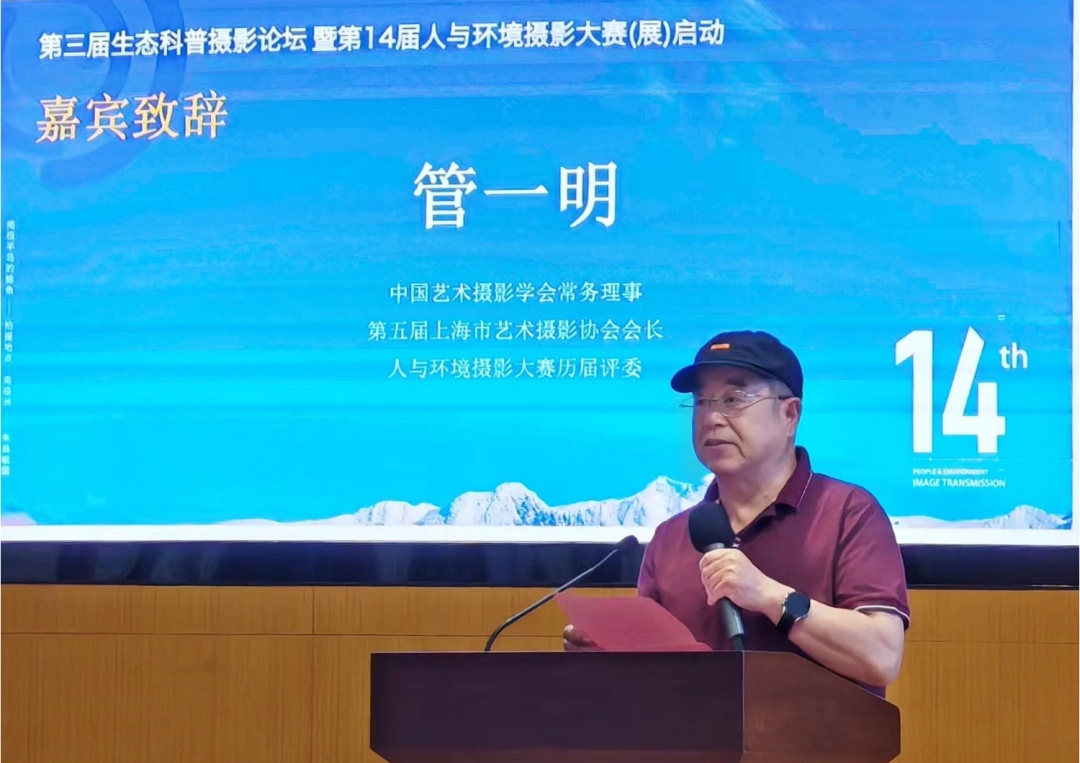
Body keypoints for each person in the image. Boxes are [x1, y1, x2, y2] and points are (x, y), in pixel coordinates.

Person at [564, 330, 910, 697]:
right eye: (702, 402)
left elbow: (881, 657)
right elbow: (654, 680)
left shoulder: (848, 513)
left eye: (733, 399)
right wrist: (612, 659)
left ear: (790, 414)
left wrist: (770, 596)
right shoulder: (670, 537)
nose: (712, 417)